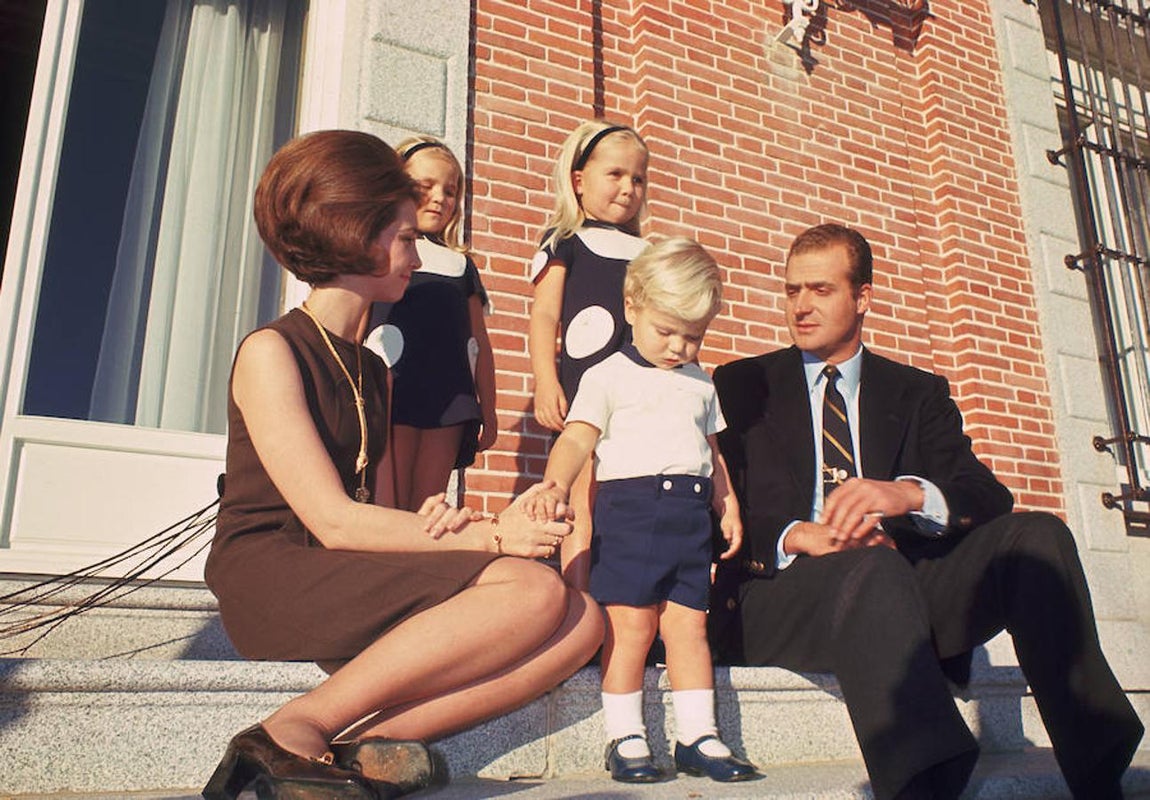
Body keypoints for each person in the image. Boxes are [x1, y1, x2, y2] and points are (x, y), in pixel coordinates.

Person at [202, 130, 603, 800]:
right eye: (406, 236)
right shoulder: (272, 351)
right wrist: (493, 536)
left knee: (583, 620)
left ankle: (359, 747)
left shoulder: (374, 369)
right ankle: (291, 727)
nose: (418, 255)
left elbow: (379, 518)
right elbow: (334, 521)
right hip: (273, 572)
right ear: (355, 234)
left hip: (343, 568)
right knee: (533, 590)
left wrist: (442, 524)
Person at [708, 222, 1144, 800]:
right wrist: (795, 535)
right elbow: (709, 505)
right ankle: (925, 784)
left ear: (863, 297)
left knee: (1036, 537)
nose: (801, 307)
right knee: (873, 568)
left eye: (821, 290)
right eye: (792, 291)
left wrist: (908, 494)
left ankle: (1101, 769)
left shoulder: (916, 391)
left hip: (900, 584)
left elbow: (984, 494)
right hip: (782, 592)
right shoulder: (742, 385)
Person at [526, 238, 759, 784]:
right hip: (630, 515)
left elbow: (712, 453)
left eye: (693, 336)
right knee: (630, 627)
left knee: (689, 627)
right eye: (667, 331)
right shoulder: (606, 376)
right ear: (632, 307)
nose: (679, 346)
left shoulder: (701, 383)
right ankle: (625, 735)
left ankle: (698, 735)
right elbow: (577, 438)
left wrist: (727, 502)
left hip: (689, 518)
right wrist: (555, 483)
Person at [528, 120, 650, 588]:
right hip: (583, 394)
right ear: (579, 180)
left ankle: (623, 598)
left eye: (638, 178)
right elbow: (545, 315)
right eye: (615, 174)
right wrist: (546, 380)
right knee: (580, 497)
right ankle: (578, 598)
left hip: (637, 399)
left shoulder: (649, 253)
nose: (628, 187)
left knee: (625, 497)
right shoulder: (565, 240)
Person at [363, 135, 497, 511]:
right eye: (426, 186)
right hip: (394, 393)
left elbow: (480, 342)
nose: (440, 198)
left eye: (450, 190)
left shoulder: (461, 265)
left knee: (428, 507)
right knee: (388, 505)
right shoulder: (378, 250)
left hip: (449, 399)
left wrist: (490, 410)